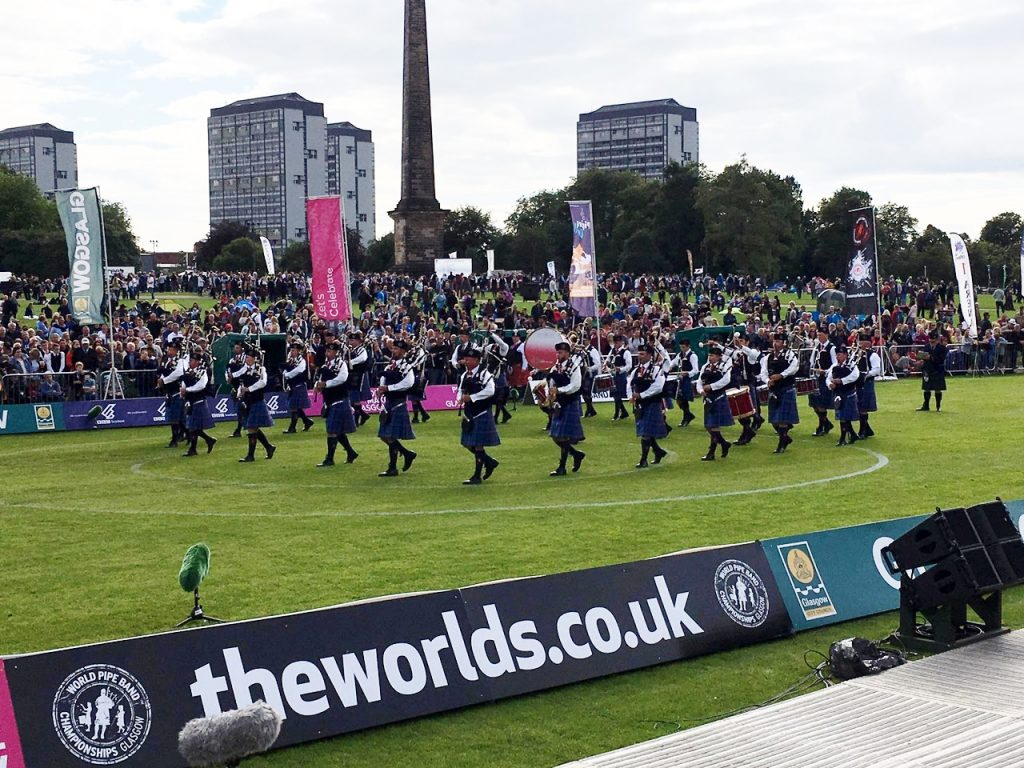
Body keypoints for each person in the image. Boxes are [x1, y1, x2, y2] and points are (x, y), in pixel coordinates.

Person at [456, 346, 500, 484]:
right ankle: (489, 461)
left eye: (469, 359)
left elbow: (490, 390)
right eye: (465, 359)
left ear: (476, 360)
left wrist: (473, 397)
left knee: (478, 445)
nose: (466, 362)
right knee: (468, 444)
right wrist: (460, 398)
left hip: (481, 412)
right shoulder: (464, 375)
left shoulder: (484, 374)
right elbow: (460, 389)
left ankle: (477, 476)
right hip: (469, 413)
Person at [313, 340, 358, 467]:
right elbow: (320, 380)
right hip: (330, 400)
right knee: (337, 430)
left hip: (339, 399)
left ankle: (330, 458)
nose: (328, 353)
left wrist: (326, 384)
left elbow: (342, 378)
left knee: (332, 430)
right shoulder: (324, 366)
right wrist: (318, 386)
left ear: (336, 352)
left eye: (330, 351)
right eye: (327, 350)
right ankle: (351, 452)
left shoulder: (341, 364)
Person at [377, 339, 417, 477]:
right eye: (393, 348)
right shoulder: (390, 366)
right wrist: (381, 388)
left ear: (403, 351)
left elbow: (409, 383)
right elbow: (383, 379)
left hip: (398, 403)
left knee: (390, 436)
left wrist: (389, 388)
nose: (394, 351)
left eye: (397, 349)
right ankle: (407, 454)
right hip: (389, 403)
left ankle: (392, 467)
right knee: (384, 436)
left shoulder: (407, 367)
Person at [546, 341, 586, 475]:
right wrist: (550, 391)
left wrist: (559, 390)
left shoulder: (574, 367)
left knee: (562, 436)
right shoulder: (556, 366)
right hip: (559, 403)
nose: (558, 354)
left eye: (561, 352)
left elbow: (576, 385)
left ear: (567, 353)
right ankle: (576, 454)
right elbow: (551, 380)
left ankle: (562, 467)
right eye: (557, 352)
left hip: (569, 402)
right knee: (555, 436)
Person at [629, 343, 668, 468]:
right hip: (640, 405)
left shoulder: (656, 370)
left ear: (650, 355)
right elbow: (629, 383)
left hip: (652, 403)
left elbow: (658, 387)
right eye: (639, 354)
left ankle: (643, 460)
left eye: (642, 354)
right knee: (646, 431)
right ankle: (658, 451)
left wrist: (642, 395)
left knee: (645, 432)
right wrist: (631, 395)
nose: (639, 356)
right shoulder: (636, 370)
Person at [236, 345, 276, 462]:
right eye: (246, 357)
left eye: (249, 357)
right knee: (253, 428)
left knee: (252, 428)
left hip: (257, 400)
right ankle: (269, 447)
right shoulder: (244, 369)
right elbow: (241, 383)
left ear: (254, 358)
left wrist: (249, 389)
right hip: (247, 401)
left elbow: (263, 382)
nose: (247, 359)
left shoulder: (261, 369)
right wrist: (240, 392)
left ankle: (251, 455)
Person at [761, 331, 799, 453]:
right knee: (774, 420)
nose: (775, 344)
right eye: (774, 341)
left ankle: (781, 444)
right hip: (774, 390)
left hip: (786, 389)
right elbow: (763, 372)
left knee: (782, 419)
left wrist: (781, 375)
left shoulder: (790, 355)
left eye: (778, 341)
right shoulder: (768, 357)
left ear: (784, 343)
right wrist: (767, 380)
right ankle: (785, 438)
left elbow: (794, 368)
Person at [695, 343, 732, 461]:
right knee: (708, 426)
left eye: (713, 356)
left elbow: (726, 380)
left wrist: (712, 386)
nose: (710, 357)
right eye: (709, 355)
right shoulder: (705, 366)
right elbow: (699, 381)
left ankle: (711, 452)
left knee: (713, 426)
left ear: (719, 356)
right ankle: (724, 443)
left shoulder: (724, 366)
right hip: (708, 398)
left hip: (718, 397)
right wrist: (701, 390)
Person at [180, 350, 217, 456]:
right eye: (190, 360)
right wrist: (182, 392)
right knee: (193, 427)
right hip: (190, 401)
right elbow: (184, 383)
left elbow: (201, 385)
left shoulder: (202, 372)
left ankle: (194, 448)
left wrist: (188, 390)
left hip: (198, 401)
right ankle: (207, 441)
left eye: (192, 360)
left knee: (193, 427)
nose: (190, 362)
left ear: (197, 362)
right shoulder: (187, 371)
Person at [826, 345, 860, 446]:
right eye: (837, 355)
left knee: (844, 417)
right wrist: (829, 384)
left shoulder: (852, 365)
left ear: (845, 355)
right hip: (838, 394)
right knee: (843, 416)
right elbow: (828, 378)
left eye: (839, 355)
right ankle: (852, 435)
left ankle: (842, 438)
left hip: (848, 393)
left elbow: (855, 376)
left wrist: (842, 381)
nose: (837, 357)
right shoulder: (834, 366)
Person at [155, 338, 186, 447]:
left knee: (176, 417)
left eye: (173, 349)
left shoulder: (181, 361)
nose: (170, 351)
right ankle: (184, 435)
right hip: (169, 391)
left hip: (177, 390)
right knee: (176, 417)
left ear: (177, 350)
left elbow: (178, 373)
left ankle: (175, 439)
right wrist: (160, 379)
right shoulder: (165, 360)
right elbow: (162, 370)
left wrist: (164, 380)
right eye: (169, 348)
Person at [281, 341, 315, 433]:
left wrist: (288, 375)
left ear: (299, 351)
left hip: (299, 385)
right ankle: (307, 421)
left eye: (295, 350)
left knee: (294, 407)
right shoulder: (290, 360)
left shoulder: (302, 360)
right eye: (291, 350)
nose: (292, 352)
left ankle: (292, 428)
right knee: (296, 407)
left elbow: (300, 370)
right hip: (292, 386)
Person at [809, 327, 837, 436]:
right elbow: (812, 361)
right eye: (817, 334)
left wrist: (825, 371)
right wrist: (812, 369)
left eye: (820, 335)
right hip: (816, 378)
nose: (818, 337)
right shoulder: (817, 347)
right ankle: (827, 424)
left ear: (826, 335)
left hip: (825, 378)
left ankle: (821, 427)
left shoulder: (832, 348)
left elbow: (835, 363)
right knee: (814, 403)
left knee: (821, 404)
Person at [855, 332, 881, 438]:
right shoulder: (856, 354)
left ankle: (863, 430)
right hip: (857, 382)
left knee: (863, 407)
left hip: (867, 383)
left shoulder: (873, 355)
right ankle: (867, 429)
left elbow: (877, 369)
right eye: (860, 343)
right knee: (859, 406)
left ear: (869, 344)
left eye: (864, 343)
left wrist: (866, 375)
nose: (861, 345)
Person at [917, 330, 948, 411]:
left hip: (937, 370)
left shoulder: (942, 348)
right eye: (930, 341)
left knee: (937, 389)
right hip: (927, 369)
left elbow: (941, 360)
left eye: (933, 341)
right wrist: (921, 361)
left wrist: (930, 358)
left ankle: (938, 406)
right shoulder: (926, 346)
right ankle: (926, 406)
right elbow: (923, 356)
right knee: (927, 388)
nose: (931, 343)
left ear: (937, 340)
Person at [346, 330, 372, 426]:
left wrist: (351, 362)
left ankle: (356, 421)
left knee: (356, 398)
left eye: (353, 340)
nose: (351, 342)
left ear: (358, 341)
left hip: (359, 375)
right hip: (352, 375)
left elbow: (363, 358)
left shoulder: (361, 350)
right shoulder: (349, 350)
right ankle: (363, 414)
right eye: (350, 340)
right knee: (352, 398)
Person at [672, 338, 699, 427]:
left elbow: (695, 370)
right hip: (680, 379)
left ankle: (686, 417)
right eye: (681, 347)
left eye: (684, 347)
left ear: (688, 346)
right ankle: (688, 415)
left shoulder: (692, 356)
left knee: (683, 398)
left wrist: (687, 373)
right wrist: (669, 367)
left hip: (687, 379)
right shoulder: (680, 355)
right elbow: (674, 363)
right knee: (679, 398)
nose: (682, 349)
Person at [225, 340, 247, 437]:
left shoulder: (246, 358)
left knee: (241, 408)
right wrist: (228, 378)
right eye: (235, 348)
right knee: (238, 409)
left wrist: (233, 375)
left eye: (237, 348)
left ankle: (239, 429)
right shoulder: (232, 360)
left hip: (242, 386)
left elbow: (244, 370)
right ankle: (240, 428)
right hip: (234, 386)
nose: (235, 349)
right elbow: (228, 371)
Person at [609, 334, 633, 421]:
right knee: (615, 395)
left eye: (617, 342)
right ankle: (624, 412)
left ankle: (616, 414)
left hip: (621, 375)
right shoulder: (612, 351)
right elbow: (609, 361)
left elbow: (629, 365)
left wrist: (621, 369)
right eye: (615, 342)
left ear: (621, 342)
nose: (616, 344)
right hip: (613, 375)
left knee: (618, 394)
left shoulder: (625, 352)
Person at [580, 334, 602, 418]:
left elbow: (598, 363)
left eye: (585, 339)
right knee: (583, 392)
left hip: (590, 373)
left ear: (589, 340)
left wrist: (589, 369)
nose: (584, 341)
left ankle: (589, 410)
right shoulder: (582, 350)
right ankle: (590, 410)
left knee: (587, 392)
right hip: (583, 374)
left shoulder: (592, 350)